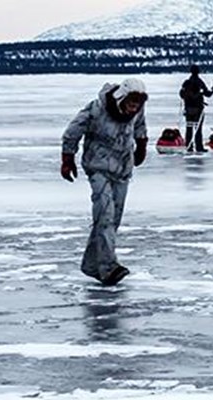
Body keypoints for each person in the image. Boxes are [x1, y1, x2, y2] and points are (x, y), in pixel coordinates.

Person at [61, 78, 150, 287]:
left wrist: (141, 145)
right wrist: (67, 159)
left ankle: (92, 265)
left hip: (122, 170)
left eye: (138, 104)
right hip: (98, 168)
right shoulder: (97, 109)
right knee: (105, 216)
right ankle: (109, 267)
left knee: (112, 219)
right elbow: (72, 132)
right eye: (131, 103)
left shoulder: (137, 110)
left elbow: (140, 126)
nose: (134, 108)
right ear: (121, 98)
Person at [179, 65, 213, 152]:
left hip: (188, 109)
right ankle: (199, 147)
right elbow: (208, 94)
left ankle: (189, 146)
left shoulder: (186, 83)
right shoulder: (199, 82)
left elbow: (182, 94)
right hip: (198, 109)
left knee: (189, 128)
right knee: (198, 129)